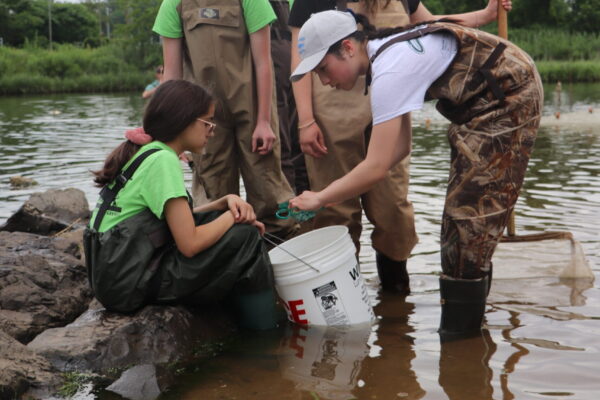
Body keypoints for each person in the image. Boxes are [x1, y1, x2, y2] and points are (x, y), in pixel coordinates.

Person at [289, 10, 543, 338]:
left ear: (349, 48)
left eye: (323, 69)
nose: (324, 81)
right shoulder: (383, 56)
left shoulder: (392, 67)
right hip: (482, 107)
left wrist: (321, 197)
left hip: (508, 95)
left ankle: (460, 344)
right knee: (465, 222)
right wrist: (333, 192)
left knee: (466, 222)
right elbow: (399, 149)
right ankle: (468, 339)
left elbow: (378, 165)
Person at [84, 80, 277, 330]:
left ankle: (241, 318)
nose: (212, 130)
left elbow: (172, 220)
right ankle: (264, 338)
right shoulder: (163, 160)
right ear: (183, 120)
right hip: (129, 283)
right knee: (247, 236)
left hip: (116, 275)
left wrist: (222, 204)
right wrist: (233, 217)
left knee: (227, 227)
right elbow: (190, 244)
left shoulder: (149, 152)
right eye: (207, 122)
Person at [153, 0, 296, 238]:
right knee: (213, 189)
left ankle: (280, 252)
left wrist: (263, 121)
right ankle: (225, 259)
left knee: (267, 186)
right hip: (201, 115)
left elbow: (263, 63)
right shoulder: (175, 4)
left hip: (252, 105)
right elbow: (172, 75)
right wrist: (172, 132)